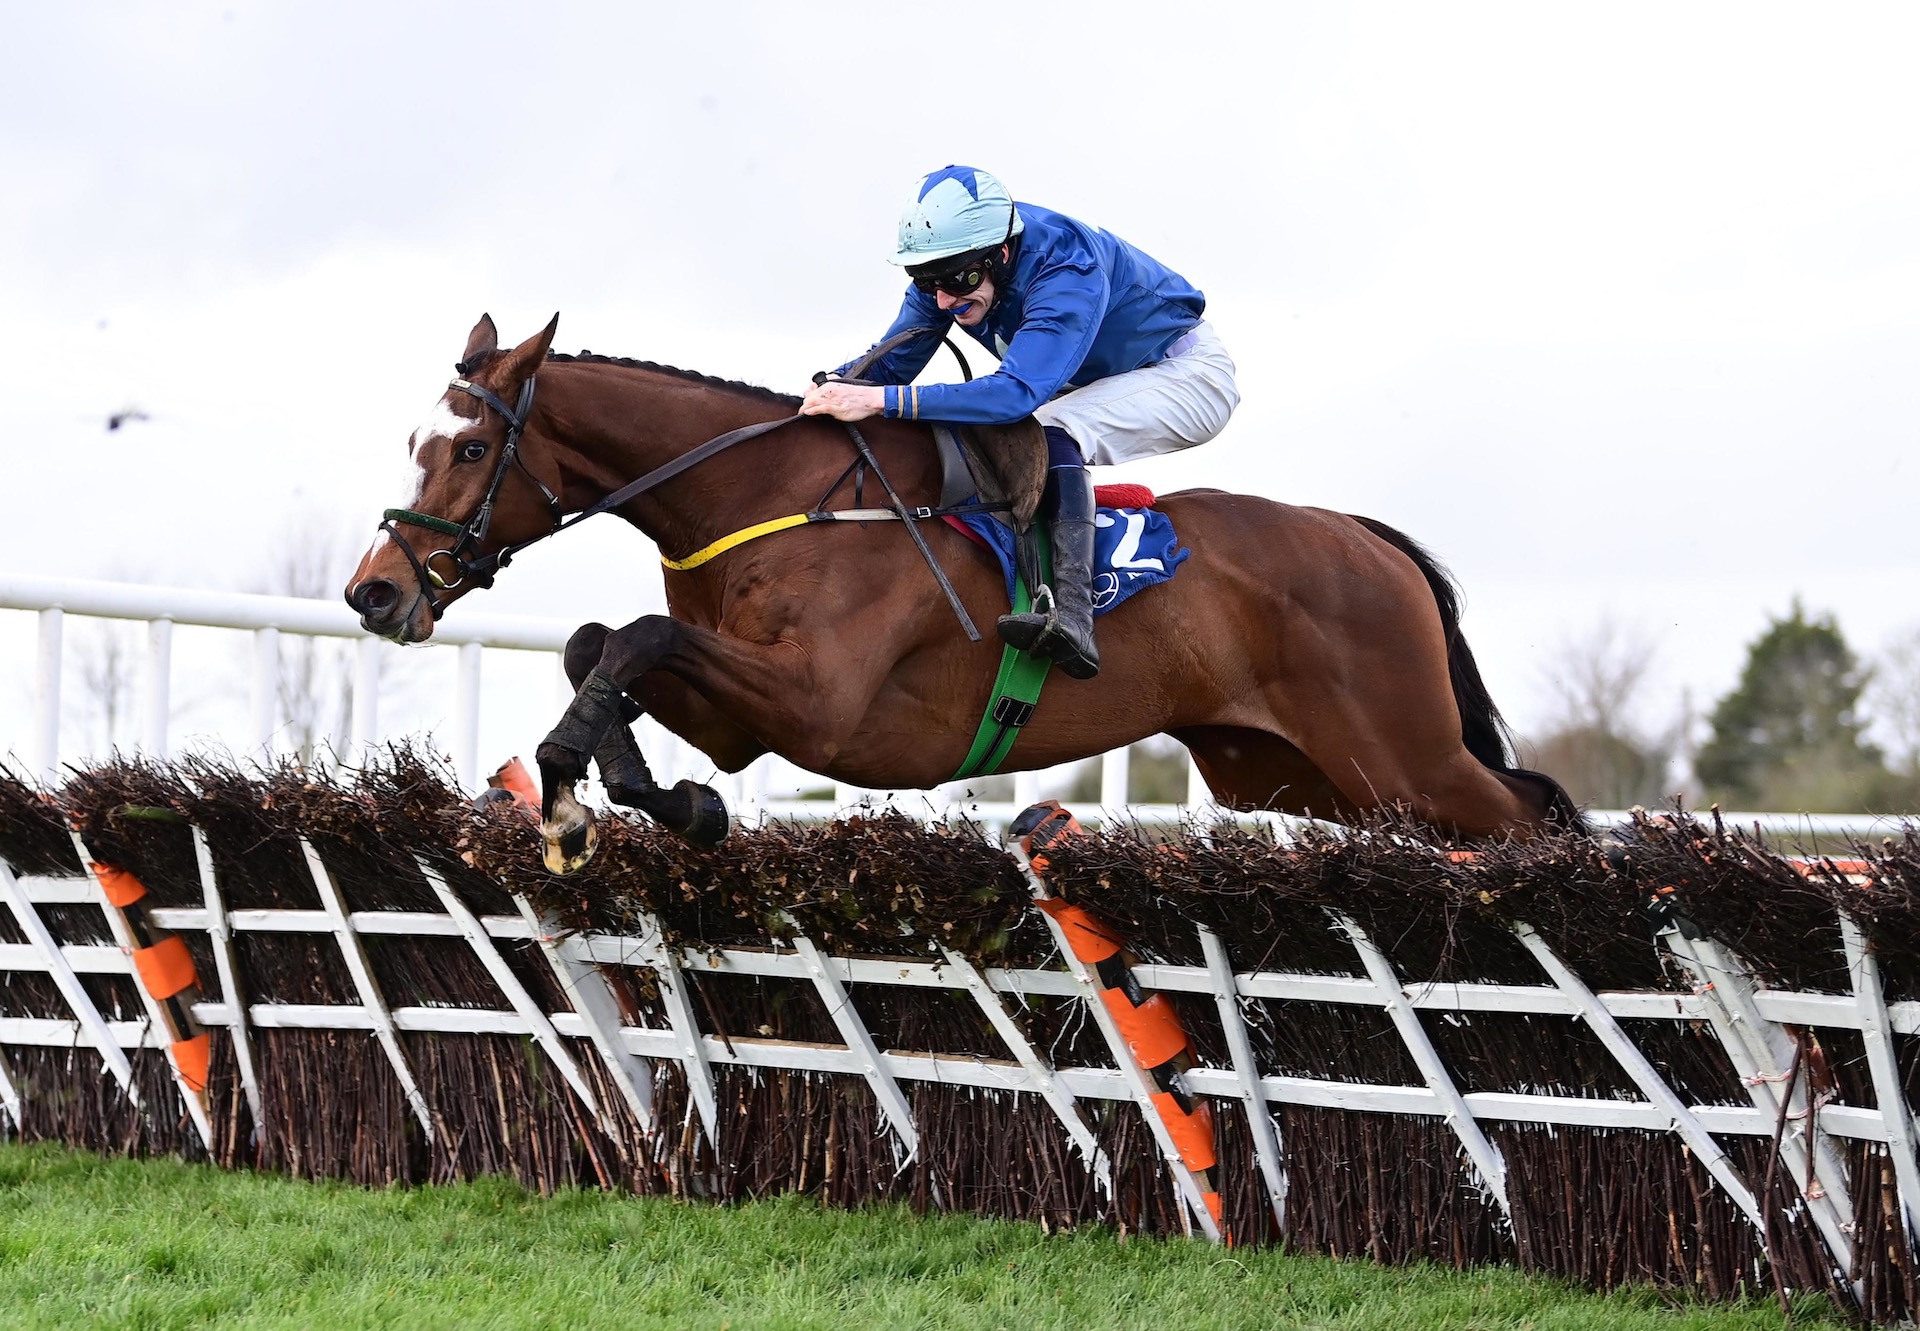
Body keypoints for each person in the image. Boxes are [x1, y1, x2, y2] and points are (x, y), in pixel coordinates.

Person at [800, 165, 1239, 680]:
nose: (943, 299)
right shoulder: (950, 267)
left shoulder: (1066, 270)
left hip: (1185, 372)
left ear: (1002, 253)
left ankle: (1073, 614)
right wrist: (830, 391)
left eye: (958, 281)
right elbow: (890, 366)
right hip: (1091, 379)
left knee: (1049, 430)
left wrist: (881, 402)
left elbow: (1014, 395)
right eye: (928, 283)